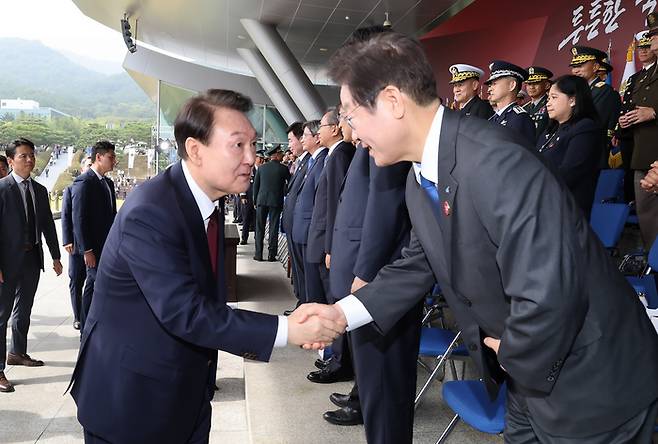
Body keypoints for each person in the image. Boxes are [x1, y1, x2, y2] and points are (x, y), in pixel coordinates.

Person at [298, 31, 658, 443]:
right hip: (528, 376)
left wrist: (513, 353)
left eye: (351, 113)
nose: (350, 129)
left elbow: (551, 286)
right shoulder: (421, 177)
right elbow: (419, 263)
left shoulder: (493, 159)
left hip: (592, 382)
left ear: (394, 102)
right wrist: (343, 314)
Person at [68, 89, 343, 443]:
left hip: (185, 394)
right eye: (237, 145)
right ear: (195, 150)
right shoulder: (151, 211)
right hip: (135, 405)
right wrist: (288, 330)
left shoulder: (205, 204)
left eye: (253, 144)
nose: (250, 157)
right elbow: (186, 312)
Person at [0, 138, 63, 393]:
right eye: (24, 156)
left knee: (23, 310)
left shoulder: (39, 190)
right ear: (11, 160)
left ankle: (18, 352)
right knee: (1, 316)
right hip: (6, 261)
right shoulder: (2, 189)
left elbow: (48, 224)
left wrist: (56, 256)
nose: (30, 159)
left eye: (32, 155)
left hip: (31, 259)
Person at [306, 107, 356, 384]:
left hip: (330, 242)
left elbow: (336, 208)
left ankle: (339, 361)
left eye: (322, 126)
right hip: (324, 238)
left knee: (335, 303)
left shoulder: (340, 156)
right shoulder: (334, 156)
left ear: (335, 128)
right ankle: (333, 356)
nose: (318, 132)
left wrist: (331, 248)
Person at [619, 13, 658, 249]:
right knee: (648, 222)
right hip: (643, 155)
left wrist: (654, 112)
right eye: (652, 36)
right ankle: (653, 275)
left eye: (656, 36)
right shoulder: (645, 75)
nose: (652, 42)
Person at [538, 75, 602, 218]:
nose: (548, 103)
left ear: (572, 100)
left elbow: (569, 173)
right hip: (544, 203)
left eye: (554, 98)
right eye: (548, 98)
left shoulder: (585, 128)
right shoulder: (550, 131)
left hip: (567, 210)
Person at [71, 141, 117, 332]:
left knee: (94, 284)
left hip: (107, 246)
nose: (114, 161)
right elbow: (79, 219)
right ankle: (86, 328)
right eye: (111, 157)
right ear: (98, 157)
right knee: (95, 283)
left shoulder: (107, 183)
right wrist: (87, 250)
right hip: (93, 248)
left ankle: (89, 324)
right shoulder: (84, 182)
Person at [291, 121, 328, 304]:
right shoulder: (313, 160)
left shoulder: (321, 161)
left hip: (309, 230)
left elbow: (319, 200)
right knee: (306, 277)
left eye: (306, 135)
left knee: (313, 281)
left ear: (317, 138)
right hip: (302, 227)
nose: (302, 139)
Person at [570, 45, 622, 167]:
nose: (575, 70)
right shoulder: (574, 92)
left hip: (592, 151)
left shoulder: (604, 91)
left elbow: (591, 122)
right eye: (574, 66)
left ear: (596, 67)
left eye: (580, 65)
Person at [281, 122, 311, 314]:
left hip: (303, 226)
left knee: (305, 272)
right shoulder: (302, 162)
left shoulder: (311, 161)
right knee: (299, 272)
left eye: (292, 140)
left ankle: (304, 304)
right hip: (294, 225)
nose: (290, 145)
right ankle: (301, 301)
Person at [62, 156, 93, 330]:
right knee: (76, 279)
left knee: (92, 281)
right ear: (82, 169)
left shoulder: (100, 187)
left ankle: (88, 314)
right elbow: (66, 215)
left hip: (93, 243)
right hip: (75, 245)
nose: (90, 168)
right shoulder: (71, 188)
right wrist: (67, 239)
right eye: (87, 165)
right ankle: (77, 316)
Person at [485, 60, 536, 144]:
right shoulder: (493, 118)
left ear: (512, 85)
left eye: (495, 84)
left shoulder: (520, 119)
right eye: (490, 85)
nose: (489, 89)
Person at [523, 66, 553, 142]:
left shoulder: (551, 104)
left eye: (536, 83)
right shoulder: (524, 108)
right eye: (529, 84)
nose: (531, 87)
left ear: (547, 85)